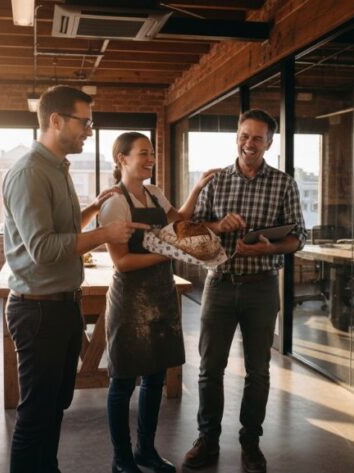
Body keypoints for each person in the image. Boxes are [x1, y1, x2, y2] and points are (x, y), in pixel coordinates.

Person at [2, 85, 148, 473]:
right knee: (36, 415)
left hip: (62, 306)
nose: (88, 130)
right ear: (56, 120)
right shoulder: (31, 173)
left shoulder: (56, 167)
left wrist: (93, 210)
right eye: (84, 122)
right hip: (38, 313)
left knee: (55, 408)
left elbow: (60, 229)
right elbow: (44, 249)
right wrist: (104, 233)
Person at [182, 109, 306, 473]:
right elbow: (191, 230)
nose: (248, 143)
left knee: (259, 372)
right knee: (209, 369)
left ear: (269, 143)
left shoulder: (284, 184)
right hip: (219, 286)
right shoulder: (216, 182)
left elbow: (299, 237)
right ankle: (207, 440)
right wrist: (219, 225)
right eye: (244, 135)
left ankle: (250, 443)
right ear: (237, 136)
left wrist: (268, 248)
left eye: (257, 138)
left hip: (262, 288)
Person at [98, 132, 217, 473]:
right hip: (130, 301)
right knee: (122, 383)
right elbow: (121, 262)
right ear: (122, 158)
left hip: (161, 296)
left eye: (152, 153)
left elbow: (177, 221)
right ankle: (122, 460)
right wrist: (171, 252)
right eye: (143, 154)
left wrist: (196, 190)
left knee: (154, 379)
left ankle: (145, 451)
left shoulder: (153, 192)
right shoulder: (114, 202)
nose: (150, 159)